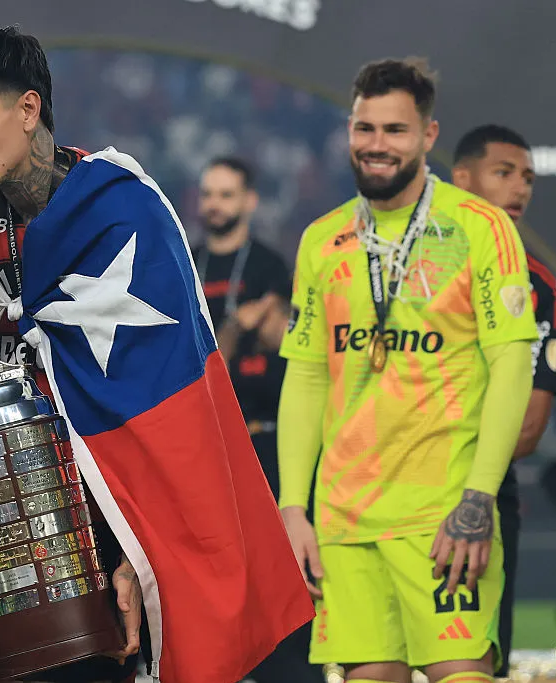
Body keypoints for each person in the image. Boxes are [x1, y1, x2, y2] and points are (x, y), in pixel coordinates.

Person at [0, 24, 313, 683]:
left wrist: (134, 555)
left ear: (27, 111)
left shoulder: (122, 211)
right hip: (16, 525)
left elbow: (165, 416)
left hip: (115, 523)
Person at [278, 58, 538, 683]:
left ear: (427, 135)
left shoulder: (481, 228)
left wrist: (477, 500)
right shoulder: (323, 239)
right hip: (345, 522)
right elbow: (308, 376)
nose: (376, 145)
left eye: (394, 130)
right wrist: (292, 507)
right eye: (364, 128)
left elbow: (511, 367)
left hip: (444, 514)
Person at [193, 158, 322, 683]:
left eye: (226, 194)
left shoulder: (272, 267)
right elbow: (205, 362)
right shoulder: (186, 264)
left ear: (250, 201)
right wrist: (238, 322)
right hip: (208, 451)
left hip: (267, 445)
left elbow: (295, 355)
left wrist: (262, 325)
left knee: (282, 587)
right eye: (208, 194)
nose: (214, 204)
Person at [450, 124, 556, 678]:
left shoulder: (541, 288)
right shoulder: (406, 271)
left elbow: (529, 427)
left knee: (480, 661)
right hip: (377, 494)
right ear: (461, 180)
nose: (520, 188)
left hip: (483, 495)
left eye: (528, 178)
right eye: (504, 173)